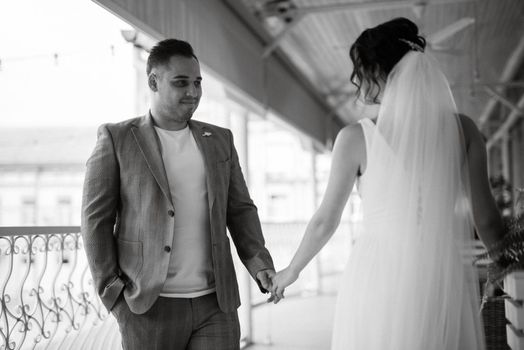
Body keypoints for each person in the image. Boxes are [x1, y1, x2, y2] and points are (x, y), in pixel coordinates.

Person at [269, 18, 505, 349]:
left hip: (378, 275)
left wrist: (291, 271)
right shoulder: (464, 130)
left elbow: (326, 220)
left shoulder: (354, 138)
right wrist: (511, 268)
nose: (357, 82)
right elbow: (489, 221)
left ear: (378, 72)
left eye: (360, 71)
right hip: (439, 275)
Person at [81, 38, 275, 350]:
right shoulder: (117, 138)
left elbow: (239, 209)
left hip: (217, 303)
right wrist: (113, 293)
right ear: (153, 82)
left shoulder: (220, 139)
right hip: (148, 306)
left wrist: (258, 262)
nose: (193, 92)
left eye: (197, 82)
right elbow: (95, 222)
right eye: (181, 82)